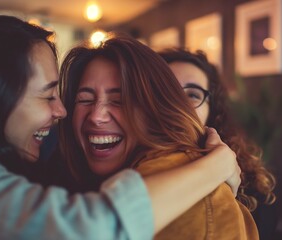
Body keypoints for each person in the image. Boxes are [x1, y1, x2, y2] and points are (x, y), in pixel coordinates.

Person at [0, 6, 241, 239]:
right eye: (48, 96)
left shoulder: (193, 197)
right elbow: (88, 227)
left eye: (120, 99)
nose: (63, 111)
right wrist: (215, 166)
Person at [58, 34, 258, 239]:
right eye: (84, 99)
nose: (97, 116)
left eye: (119, 99)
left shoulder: (192, 188)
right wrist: (216, 166)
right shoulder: (58, 170)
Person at [159, 48, 278, 239]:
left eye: (193, 95)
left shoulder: (248, 181)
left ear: (212, 110)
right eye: (167, 91)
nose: (179, 103)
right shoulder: (124, 163)